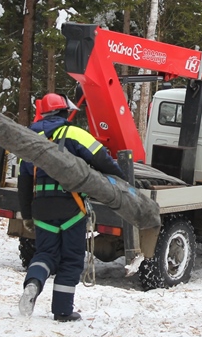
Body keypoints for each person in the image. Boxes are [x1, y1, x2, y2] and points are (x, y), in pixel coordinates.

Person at [17, 92, 125, 322]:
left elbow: (24, 179)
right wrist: (123, 180)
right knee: (71, 258)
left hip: (41, 207)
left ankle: (34, 283)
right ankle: (63, 311)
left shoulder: (28, 137)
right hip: (71, 207)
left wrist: (26, 214)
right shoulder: (75, 134)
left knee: (45, 253)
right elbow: (102, 159)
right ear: (65, 112)